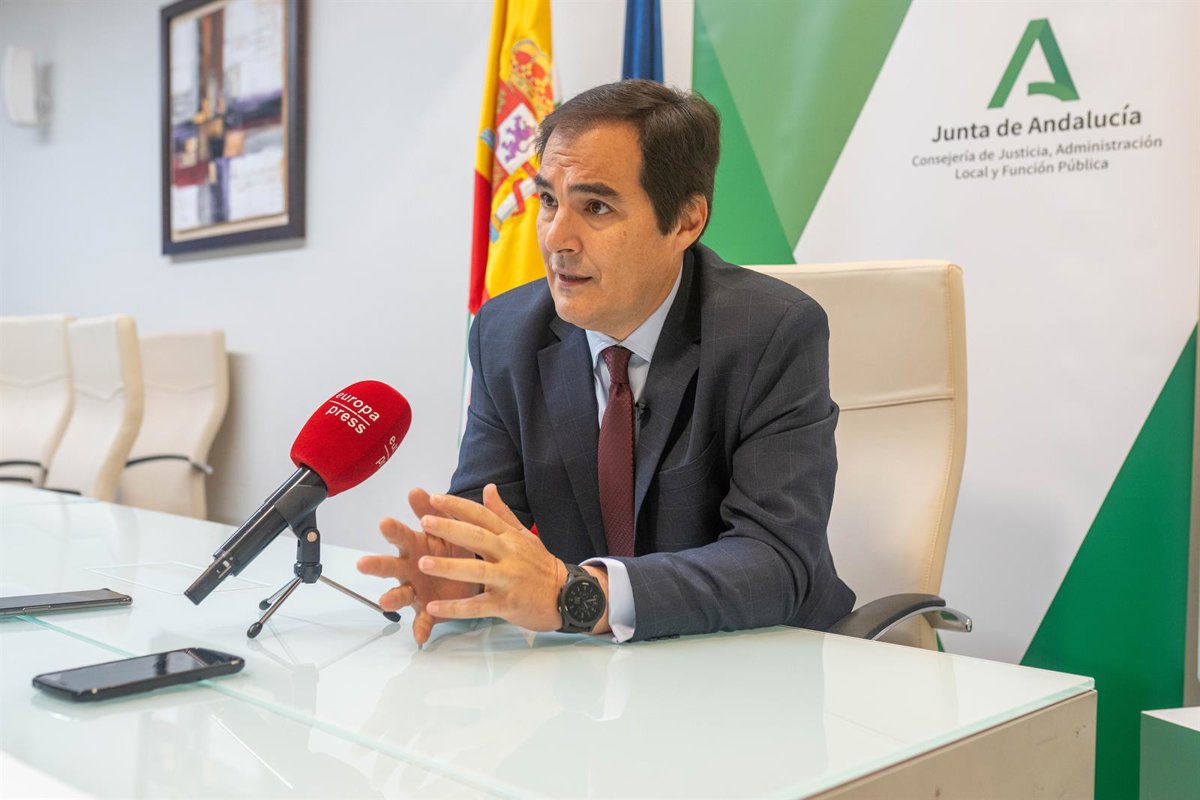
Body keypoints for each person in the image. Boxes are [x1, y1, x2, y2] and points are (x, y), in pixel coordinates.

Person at [357, 80, 854, 644]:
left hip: (768, 660)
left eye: (595, 207)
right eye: (549, 201)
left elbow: (776, 561)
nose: (556, 239)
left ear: (686, 222)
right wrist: (464, 571)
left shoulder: (770, 332)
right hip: (598, 674)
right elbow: (489, 518)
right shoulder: (506, 334)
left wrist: (578, 593)